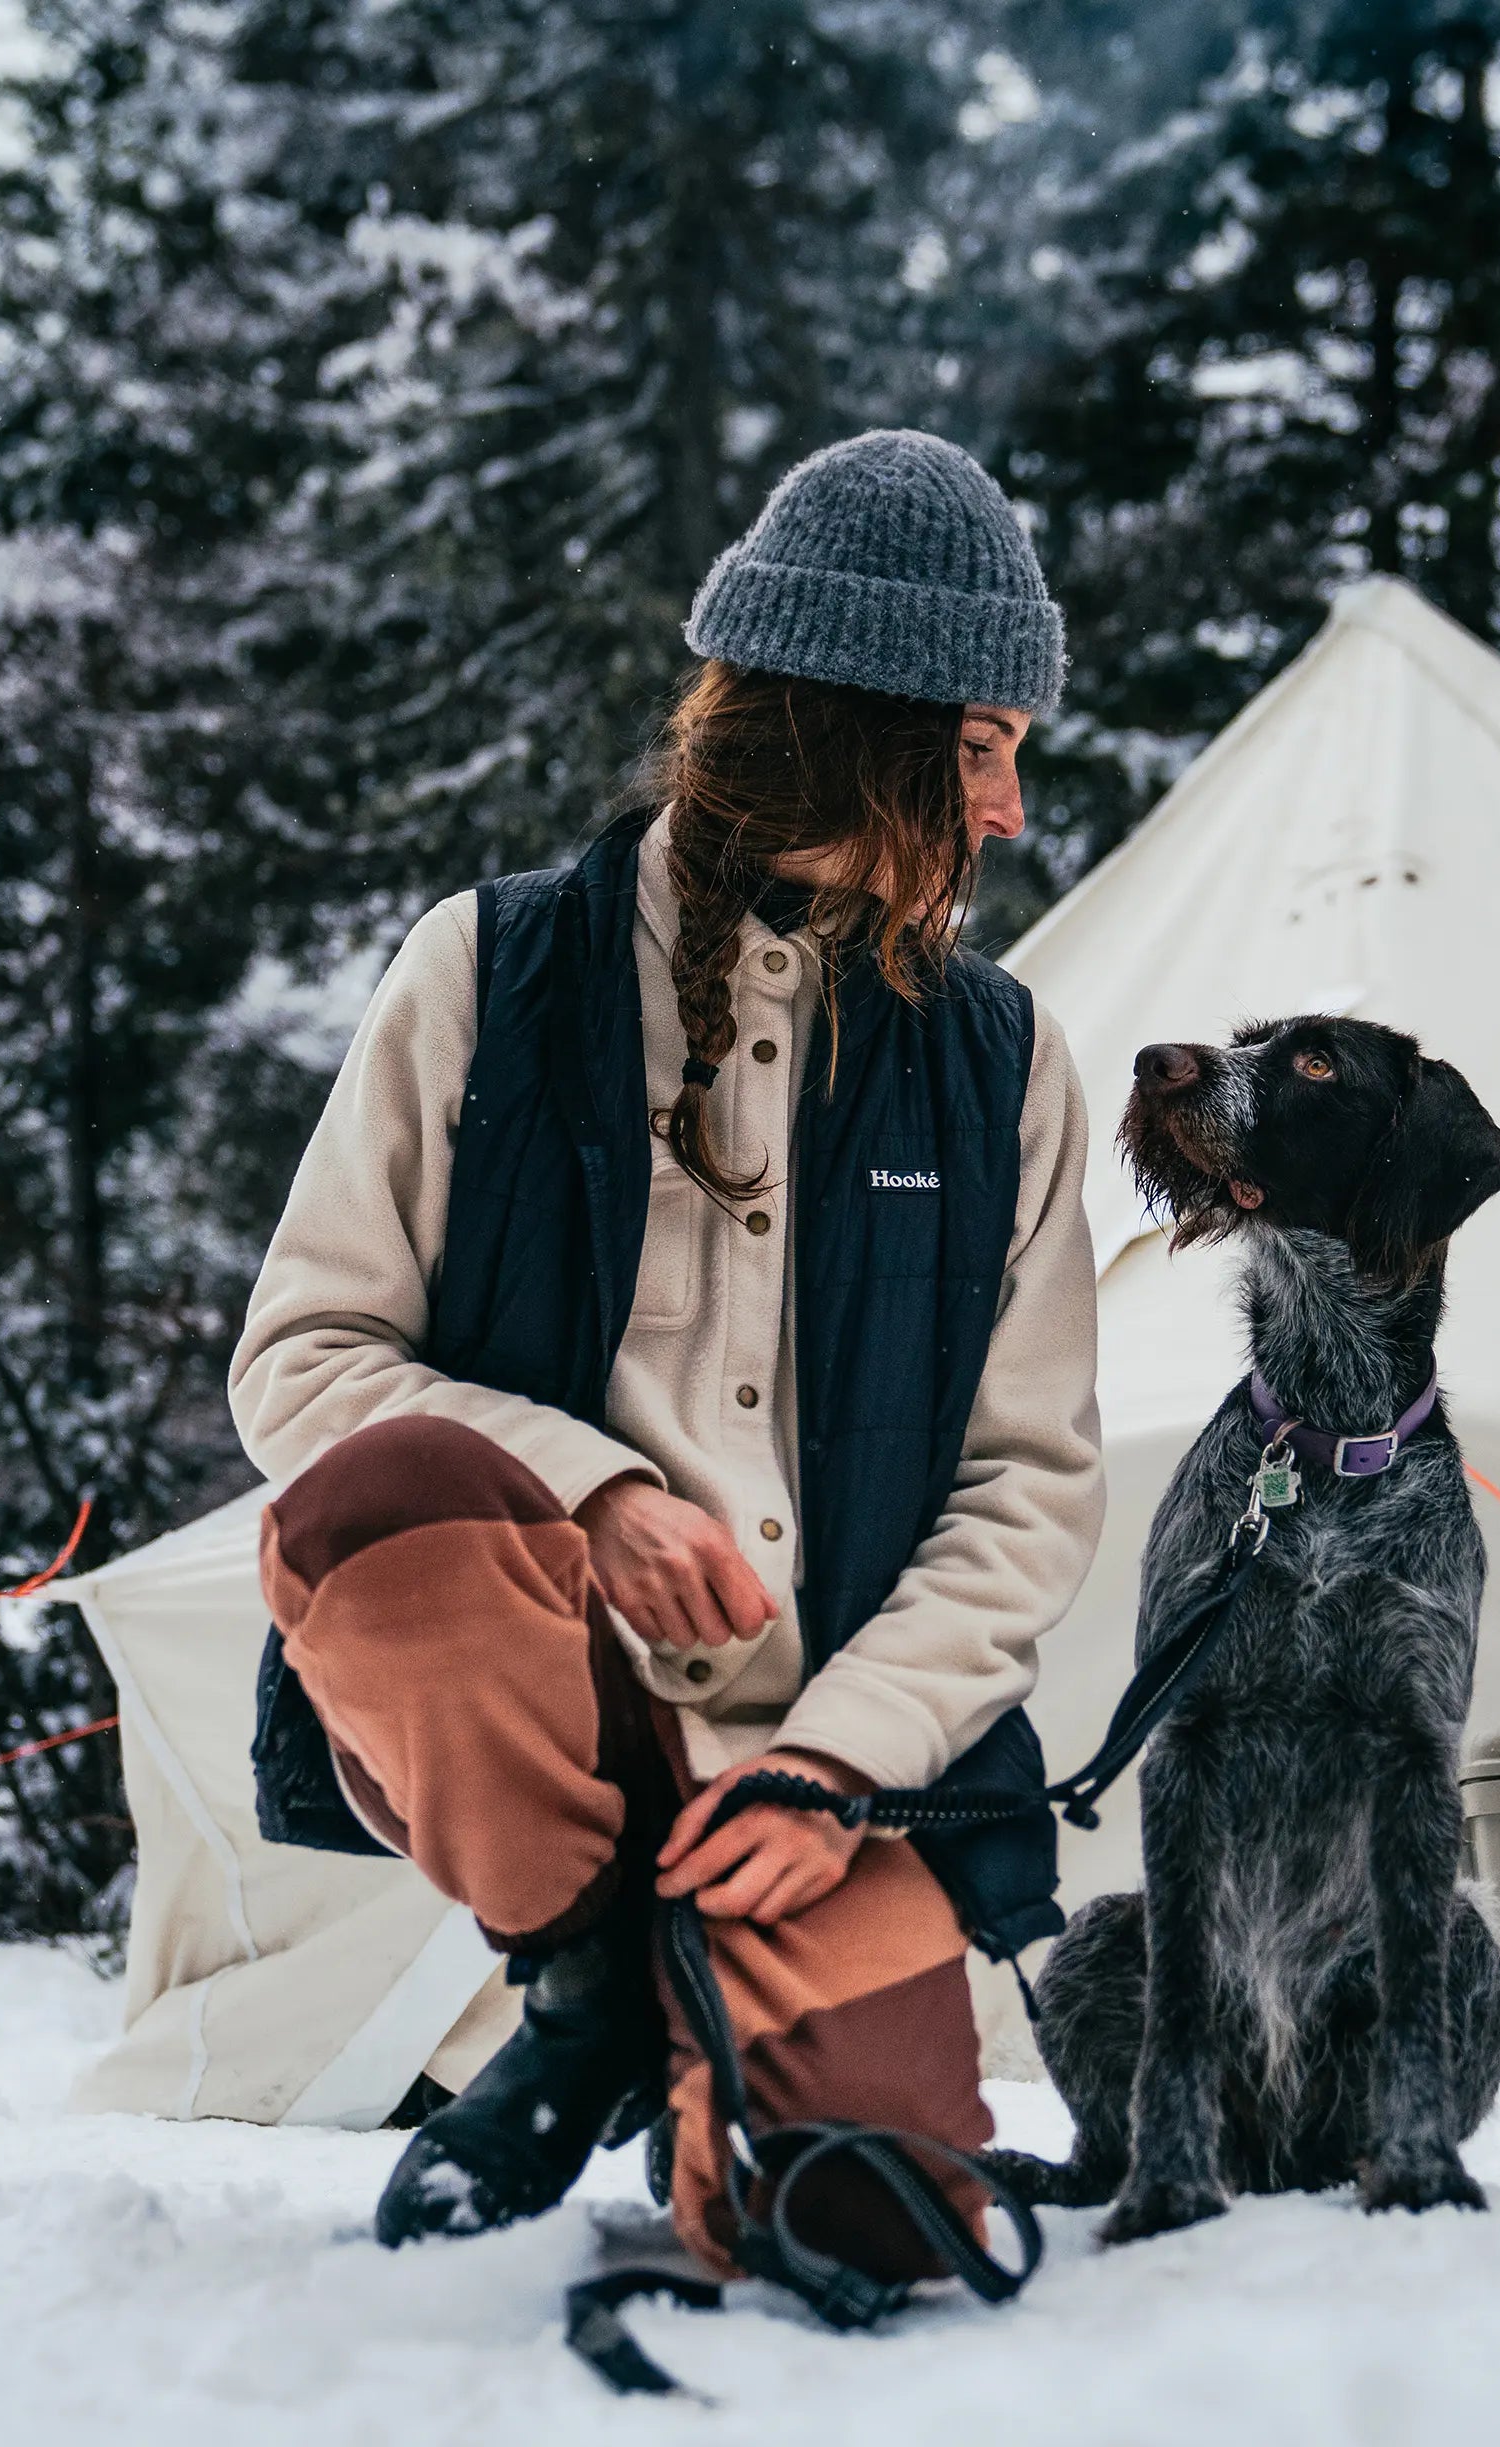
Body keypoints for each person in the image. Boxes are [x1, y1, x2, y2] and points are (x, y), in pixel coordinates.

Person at [228, 430, 1105, 2278]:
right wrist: (593, 1489)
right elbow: (305, 1358)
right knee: (378, 1500)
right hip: (550, 1708)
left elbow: (1027, 1494)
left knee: (867, 2230)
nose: (1010, 812)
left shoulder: (1010, 1064)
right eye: (980, 750)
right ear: (855, 733)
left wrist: (834, 1763)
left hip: (832, 1771)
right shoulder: (487, 973)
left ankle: (680, 2006)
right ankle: (583, 1988)